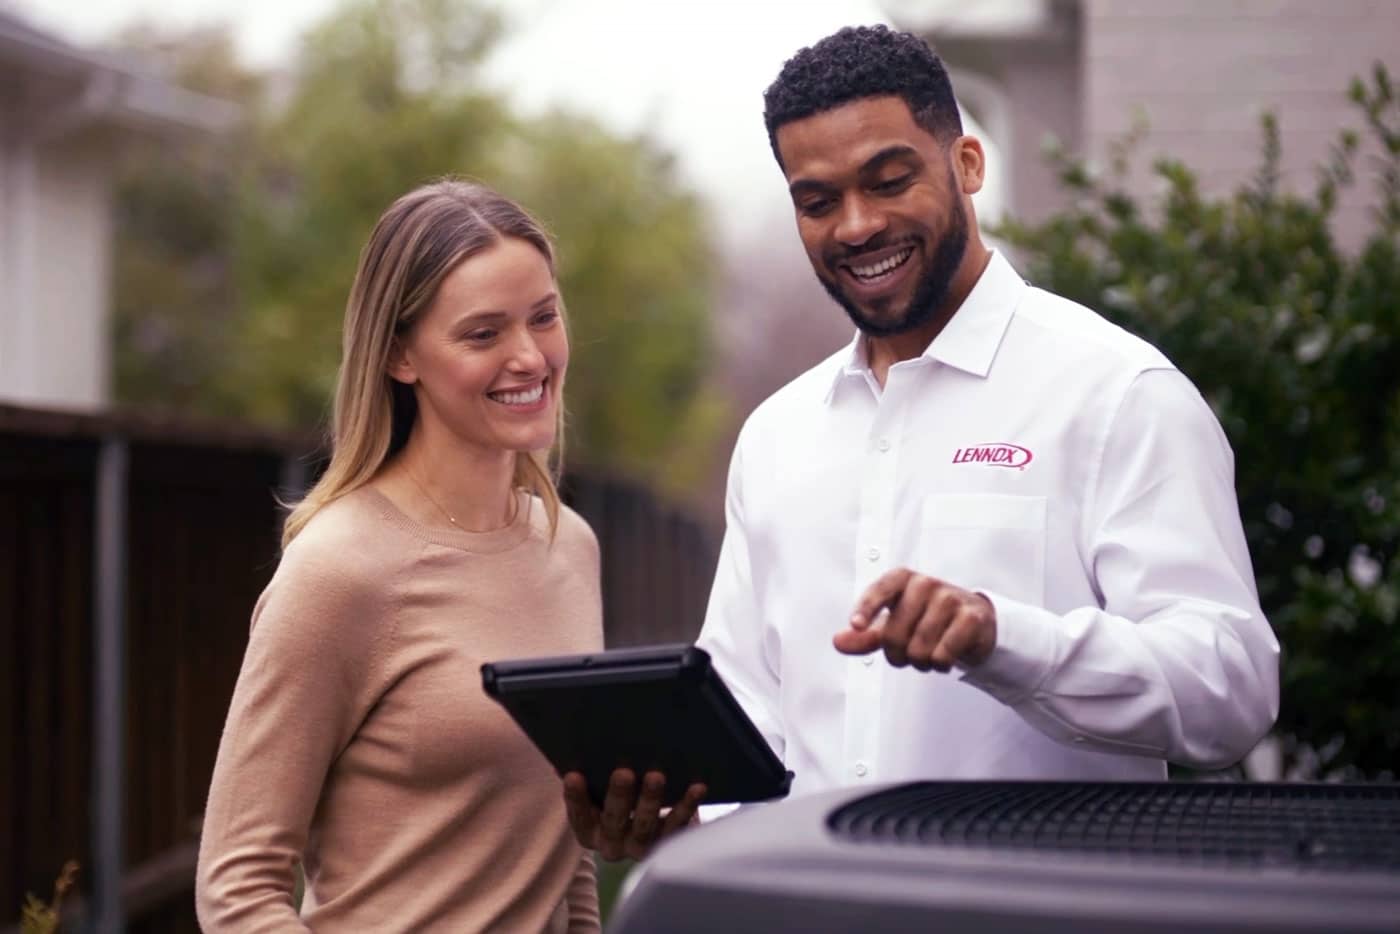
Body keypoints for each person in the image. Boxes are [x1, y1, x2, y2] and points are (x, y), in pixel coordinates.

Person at [564, 24, 1279, 860]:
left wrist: (1000, 637)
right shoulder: (775, 438)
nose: (857, 226)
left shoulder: (1117, 394)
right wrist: (677, 817)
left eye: (889, 179)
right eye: (818, 200)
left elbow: (1231, 686)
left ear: (967, 165)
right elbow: (751, 718)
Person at [197, 179, 602, 932]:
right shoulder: (340, 568)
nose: (529, 356)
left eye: (543, 317)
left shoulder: (568, 547)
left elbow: (562, 853)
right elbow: (237, 892)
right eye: (483, 335)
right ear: (399, 356)